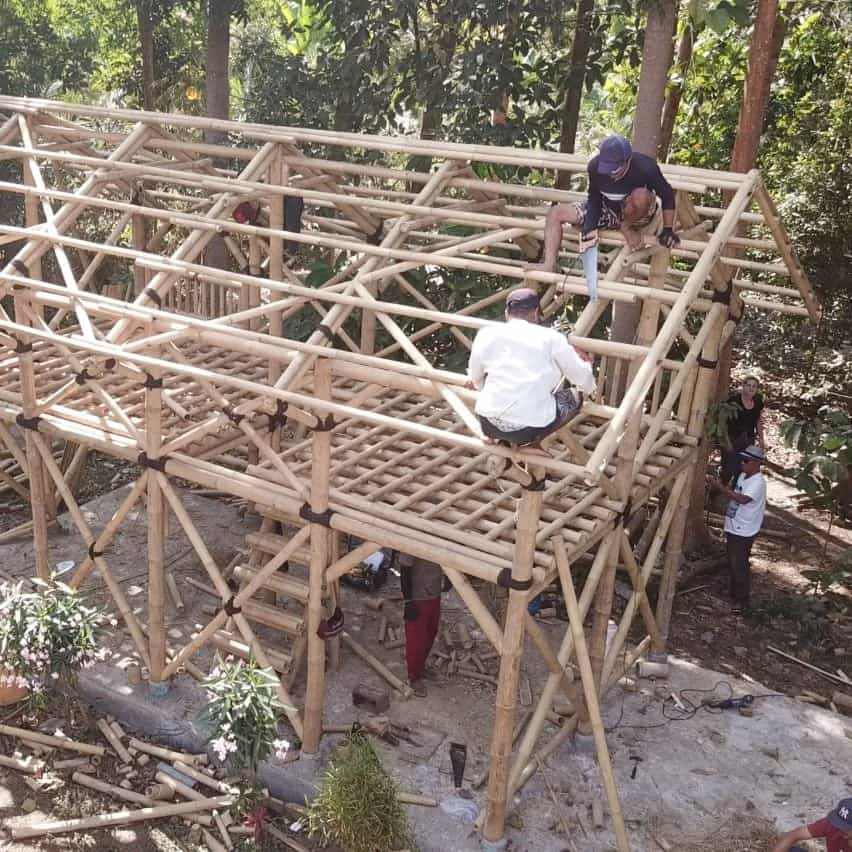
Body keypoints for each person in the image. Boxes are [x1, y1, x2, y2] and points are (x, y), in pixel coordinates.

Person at [467, 288, 595, 454]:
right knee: (575, 397)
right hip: (528, 429)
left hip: (487, 422)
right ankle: (530, 442)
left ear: (507, 313)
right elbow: (582, 378)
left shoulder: (486, 333)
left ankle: (506, 442)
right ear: (535, 313)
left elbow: (476, 378)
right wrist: (590, 380)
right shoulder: (552, 338)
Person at [535, 134, 679, 273]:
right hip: (609, 210)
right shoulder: (594, 167)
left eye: (615, 169)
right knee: (556, 212)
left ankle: (626, 225)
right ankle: (549, 264)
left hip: (639, 215)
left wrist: (667, 229)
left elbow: (667, 196)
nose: (610, 174)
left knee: (641, 196)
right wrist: (589, 226)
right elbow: (594, 198)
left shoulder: (646, 167)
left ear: (627, 160)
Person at [716, 445, 767, 612]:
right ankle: (733, 592)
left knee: (739, 563)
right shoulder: (744, 476)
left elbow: (743, 499)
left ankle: (742, 600)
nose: (742, 464)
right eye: (741, 460)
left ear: (756, 463)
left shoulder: (757, 482)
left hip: (745, 529)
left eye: (746, 461)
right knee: (732, 559)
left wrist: (720, 488)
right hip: (735, 524)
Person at [399, 552, 443, 697]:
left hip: (434, 592)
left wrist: (447, 579)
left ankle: (420, 667)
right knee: (416, 640)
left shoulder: (442, 534)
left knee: (431, 633)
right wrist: (408, 601)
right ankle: (413, 677)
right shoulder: (413, 537)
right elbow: (404, 569)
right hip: (418, 596)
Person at [720, 375, 766, 485]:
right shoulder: (733, 401)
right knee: (728, 468)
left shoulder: (758, 401)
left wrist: (761, 439)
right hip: (732, 438)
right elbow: (723, 422)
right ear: (743, 386)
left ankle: (735, 492)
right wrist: (726, 441)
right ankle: (718, 491)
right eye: (748, 385)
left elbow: (758, 420)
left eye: (754, 386)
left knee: (743, 467)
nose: (751, 388)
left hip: (748, 439)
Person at [770, 797, 852, 851]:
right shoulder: (832, 825)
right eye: (838, 823)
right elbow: (792, 836)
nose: (841, 830)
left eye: (846, 827)